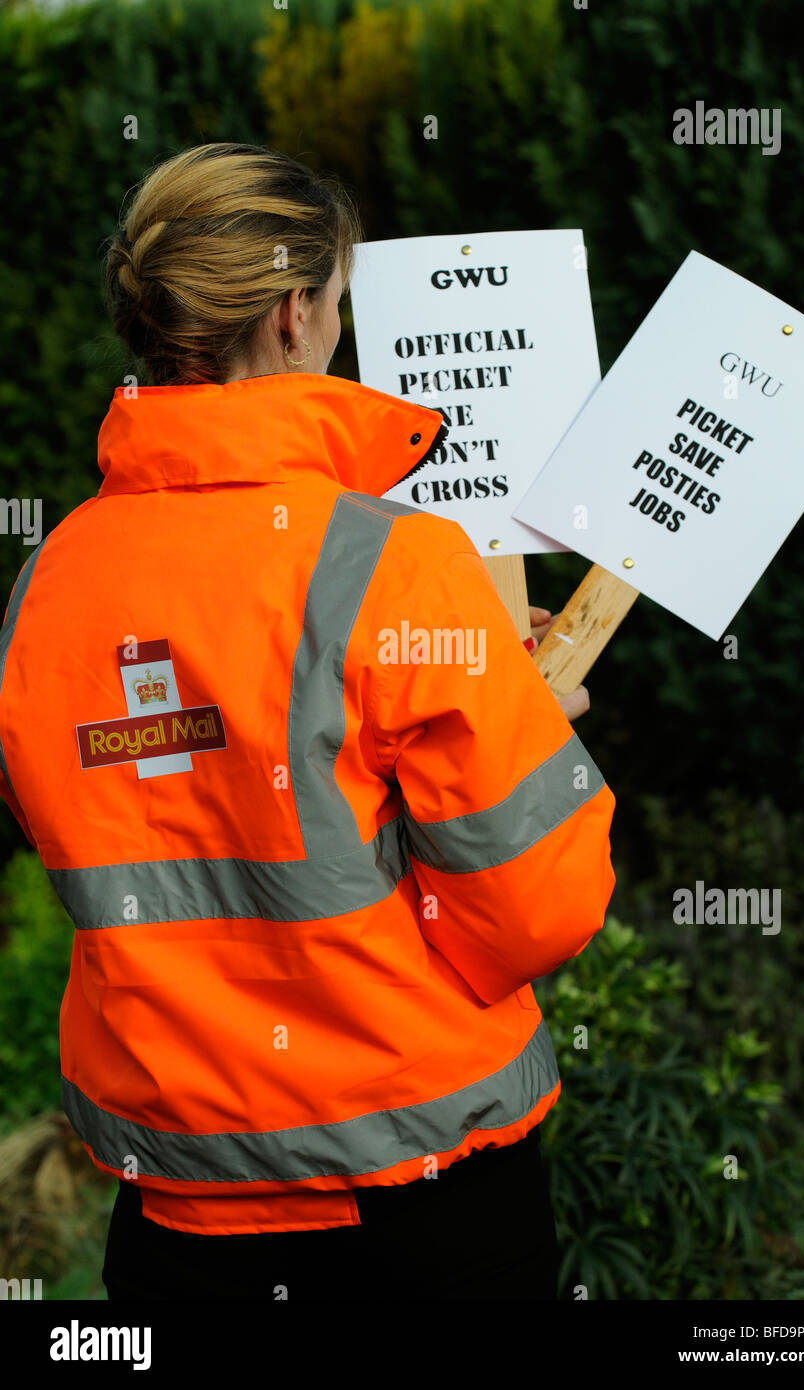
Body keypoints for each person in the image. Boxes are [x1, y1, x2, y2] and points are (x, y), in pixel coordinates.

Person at [0, 142, 615, 1300]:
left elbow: (119, 826)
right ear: (293, 313)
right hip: (414, 1201)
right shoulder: (391, 563)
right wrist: (522, 720)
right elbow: (535, 911)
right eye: (339, 297)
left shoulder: (48, 579)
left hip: (175, 1209)